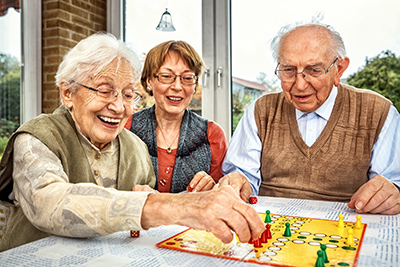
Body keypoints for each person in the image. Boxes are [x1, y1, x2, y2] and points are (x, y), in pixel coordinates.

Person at [0, 33, 264, 252]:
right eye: (104, 91)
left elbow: (141, 222)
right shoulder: (36, 138)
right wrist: (174, 206)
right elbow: (49, 202)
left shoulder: (134, 147)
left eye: (128, 94)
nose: (118, 106)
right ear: (67, 92)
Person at [223, 22, 400, 215]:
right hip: (271, 228)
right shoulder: (259, 111)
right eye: (288, 70)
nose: (299, 85)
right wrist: (238, 182)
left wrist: (392, 192)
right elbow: (242, 177)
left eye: (314, 70)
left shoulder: (379, 112)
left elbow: (391, 183)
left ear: (339, 69)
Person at [125, 40, 228, 193]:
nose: (177, 87)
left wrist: (213, 186)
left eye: (187, 78)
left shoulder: (212, 135)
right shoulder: (126, 127)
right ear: (149, 81)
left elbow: (222, 196)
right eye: (166, 76)